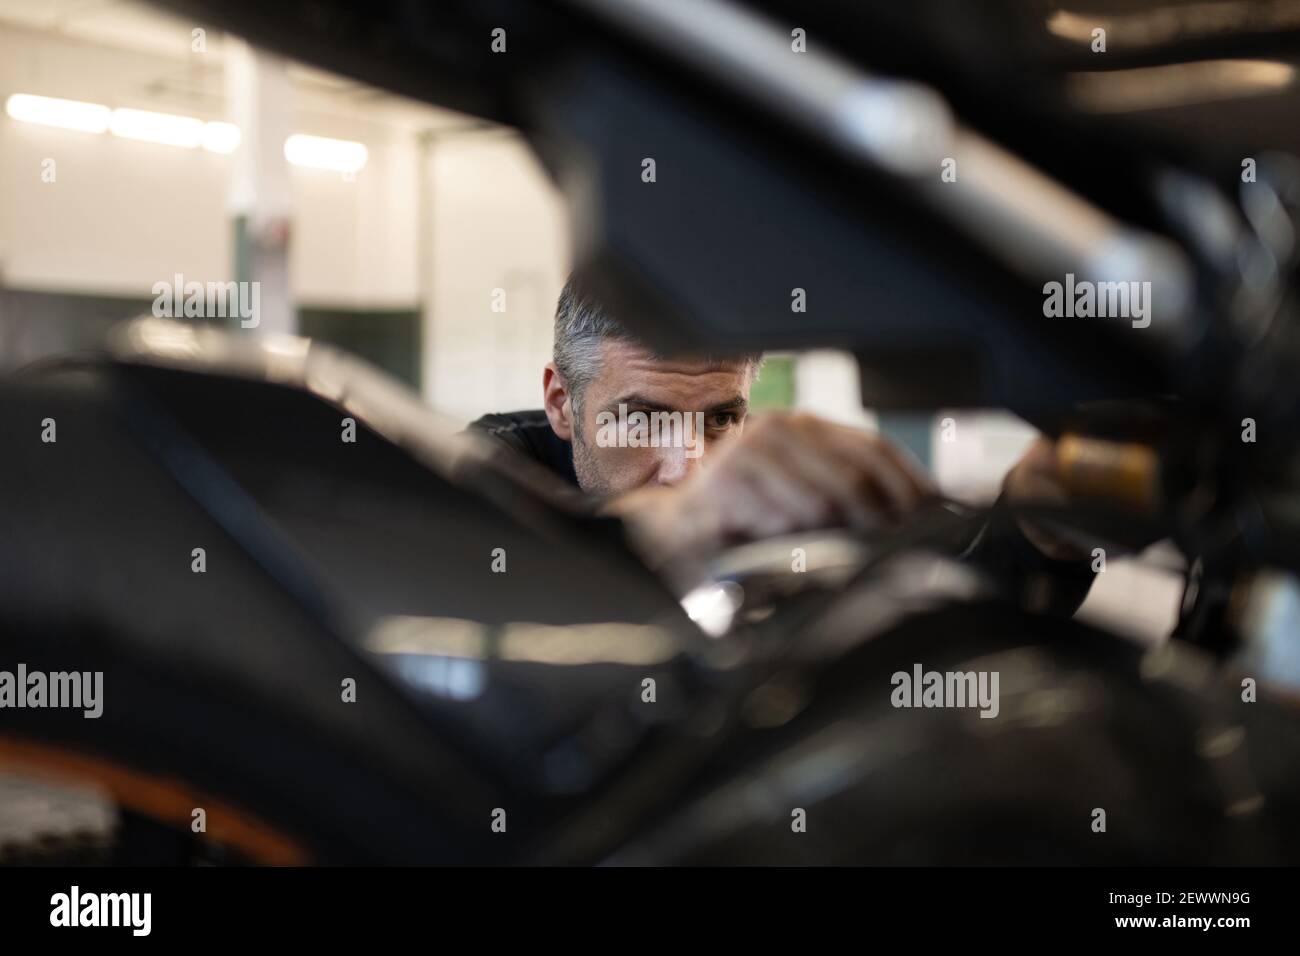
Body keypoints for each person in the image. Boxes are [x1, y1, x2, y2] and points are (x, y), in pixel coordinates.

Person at [470, 274, 1095, 611]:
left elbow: (947, 592)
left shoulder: (763, 492)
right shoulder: (487, 469)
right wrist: (676, 523)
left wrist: (1039, 527)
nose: (687, 466)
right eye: (641, 421)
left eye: (719, 420)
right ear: (561, 403)